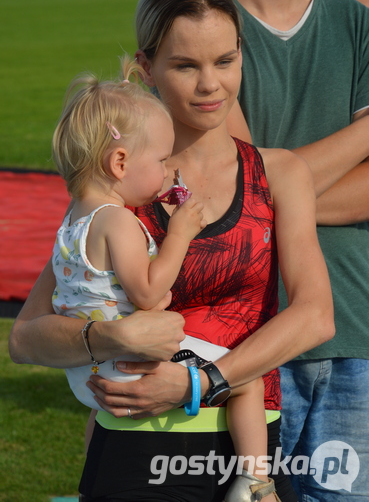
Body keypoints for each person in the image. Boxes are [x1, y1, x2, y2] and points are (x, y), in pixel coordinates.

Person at [8, 0, 334, 502]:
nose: (211, 84)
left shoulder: (279, 173)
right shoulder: (118, 194)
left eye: (226, 61)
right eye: (185, 65)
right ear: (147, 69)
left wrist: (199, 382)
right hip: (132, 449)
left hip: (246, 456)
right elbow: (25, 338)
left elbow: (315, 316)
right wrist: (109, 338)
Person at [50, 58, 278, 501]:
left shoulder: (72, 222)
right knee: (247, 376)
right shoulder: (117, 221)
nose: (164, 171)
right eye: (158, 160)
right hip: (129, 366)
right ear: (119, 161)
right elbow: (150, 292)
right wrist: (180, 234)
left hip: (91, 373)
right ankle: (254, 481)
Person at [224, 0, 369, 500]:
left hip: (353, 323)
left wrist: (265, 191)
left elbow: (248, 187)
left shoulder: (357, 22)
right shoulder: (201, 20)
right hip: (242, 333)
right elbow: (227, 178)